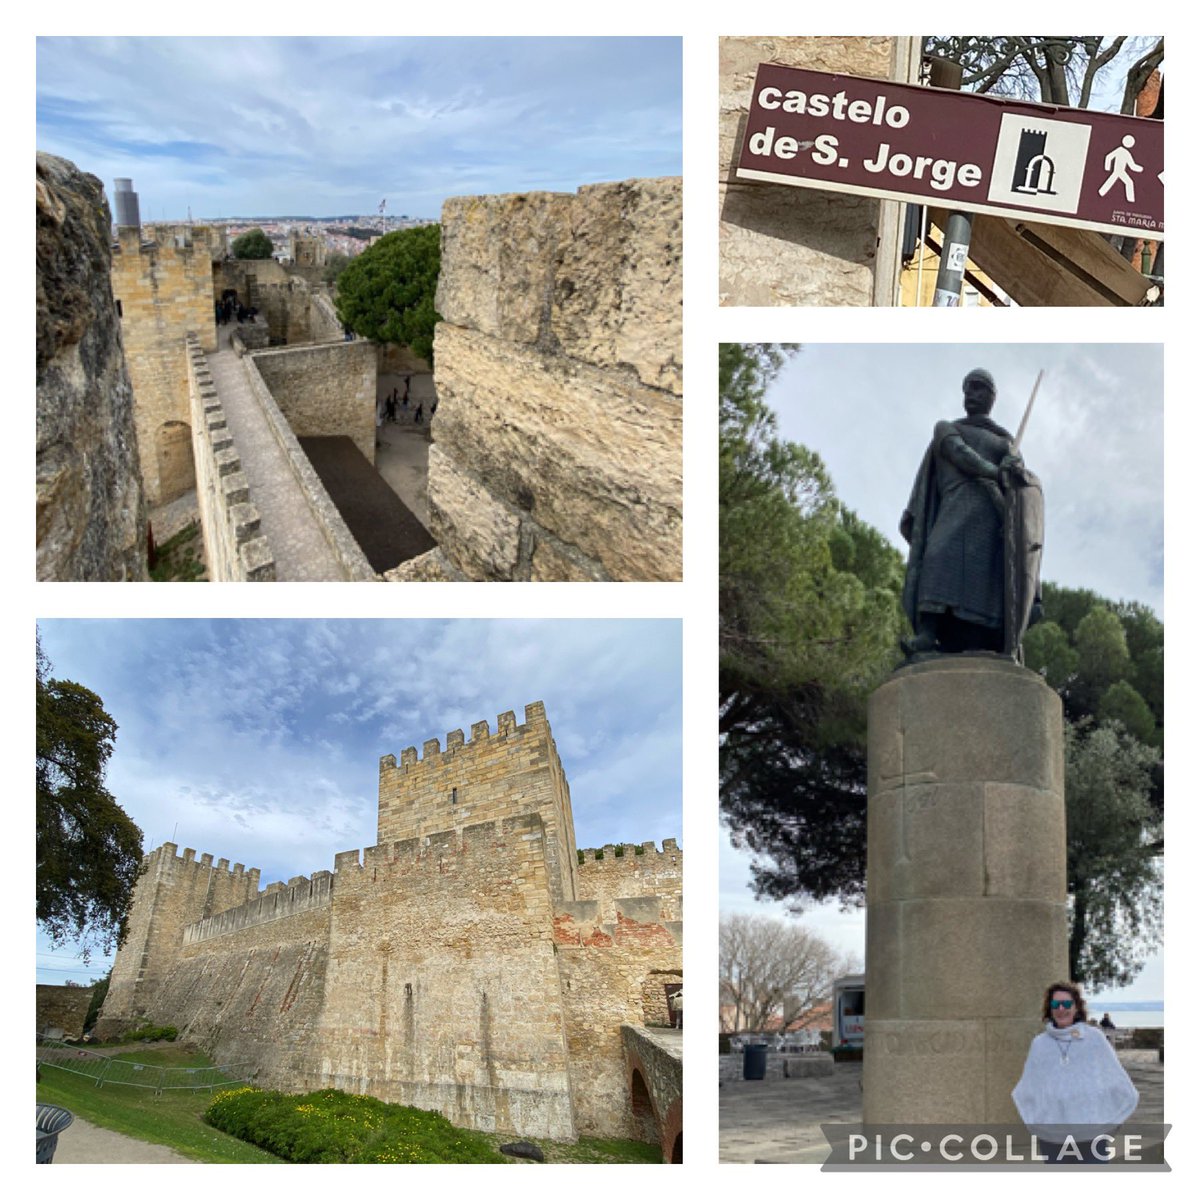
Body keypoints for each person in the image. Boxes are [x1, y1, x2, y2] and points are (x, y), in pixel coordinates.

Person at [900, 368, 1037, 655]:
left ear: (992, 397)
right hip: (953, 506)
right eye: (967, 389)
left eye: (978, 388)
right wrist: (996, 471)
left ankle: (990, 639)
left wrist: (1014, 471)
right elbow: (960, 454)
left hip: (991, 516)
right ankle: (928, 632)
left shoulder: (1006, 443)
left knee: (987, 580)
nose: (971, 394)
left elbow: (1021, 487)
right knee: (937, 559)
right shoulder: (947, 428)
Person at [1012, 981, 1139, 1164]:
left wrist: (1110, 1117)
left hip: (1091, 1135)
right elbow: (1029, 1087)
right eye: (1056, 1004)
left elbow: (1115, 1079)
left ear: (1077, 1007)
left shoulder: (1094, 1038)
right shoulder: (1040, 1044)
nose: (1061, 1009)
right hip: (1053, 1136)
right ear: (1049, 1009)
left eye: (1067, 1004)